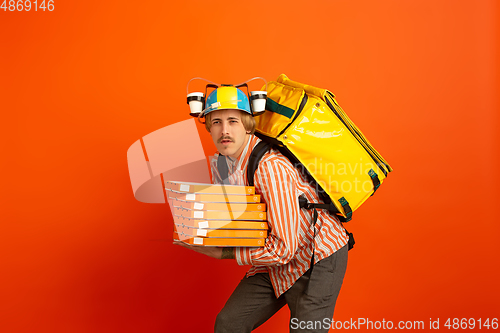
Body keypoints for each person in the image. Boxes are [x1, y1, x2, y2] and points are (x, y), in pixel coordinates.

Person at [174, 86, 349, 333]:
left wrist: (223, 253)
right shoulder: (222, 163)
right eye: (216, 122)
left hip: (316, 256)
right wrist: (198, 228)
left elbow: (285, 249)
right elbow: (241, 223)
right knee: (229, 324)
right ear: (208, 128)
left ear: (248, 125)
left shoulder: (270, 167)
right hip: (277, 255)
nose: (224, 130)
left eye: (233, 121)